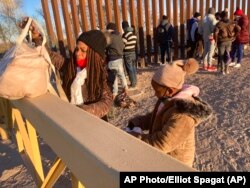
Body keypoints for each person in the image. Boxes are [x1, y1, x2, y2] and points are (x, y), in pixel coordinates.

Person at [20, 18, 113, 121]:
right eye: (77, 49)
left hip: (94, 124)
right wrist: (36, 37)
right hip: (72, 120)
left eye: (83, 50)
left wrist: (85, 110)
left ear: (94, 56)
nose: (78, 53)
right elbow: (50, 55)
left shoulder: (102, 74)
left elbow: (107, 102)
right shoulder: (70, 66)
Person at [126, 58, 213, 167]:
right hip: (164, 157)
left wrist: (137, 137)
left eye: (157, 91)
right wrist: (139, 121)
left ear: (170, 90)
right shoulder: (166, 99)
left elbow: (163, 143)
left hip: (176, 163)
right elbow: (156, 117)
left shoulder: (183, 114)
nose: (155, 94)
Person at [106, 22, 128, 99]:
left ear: (109, 29)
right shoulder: (119, 36)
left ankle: (115, 93)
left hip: (112, 59)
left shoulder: (110, 37)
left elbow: (106, 47)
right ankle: (125, 87)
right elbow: (122, 46)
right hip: (120, 58)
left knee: (114, 77)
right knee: (121, 74)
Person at [199, 7, 218, 71]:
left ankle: (204, 65)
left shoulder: (204, 18)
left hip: (205, 37)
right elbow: (214, 29)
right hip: (211, 37)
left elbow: (200, 30)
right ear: (213, 12)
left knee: (205, 51)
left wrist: (204, 34)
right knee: (211, 51)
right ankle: (209, 66)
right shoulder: (213, 18)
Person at [122, 21, 137, 89]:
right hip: (133, 52)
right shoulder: (134, 34)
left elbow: (122, 45)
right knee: (133, 68)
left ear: (124, 27)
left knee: (130, 68)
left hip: (127, 54)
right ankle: (135, 81)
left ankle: (133, 83)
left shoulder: (125, 35)